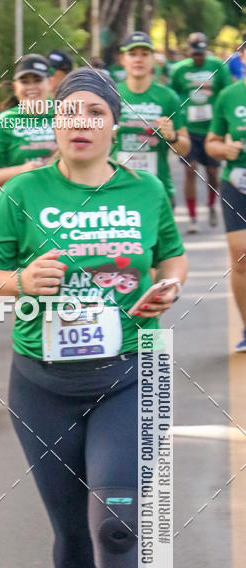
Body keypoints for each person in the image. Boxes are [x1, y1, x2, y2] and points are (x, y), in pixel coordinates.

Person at [0, 68, 187, 568]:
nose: (81, 122)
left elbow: (170, 256)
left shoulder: (143, 190)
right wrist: (23, 280)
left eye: (95, 112)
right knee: (70, 530)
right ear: (53, 123)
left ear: (115, 123)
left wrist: (164, 289)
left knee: (115, 524)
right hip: (42, 385)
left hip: (127, 374)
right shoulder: (24, 193)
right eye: (70, 112)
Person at [113, 31, 190, 206]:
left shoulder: (168, 97)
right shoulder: (111, 94)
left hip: (158, 190)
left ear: (153, 59)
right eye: (132, 54)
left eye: (144, 54)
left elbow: (184, 149)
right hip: (118, 190)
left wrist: (173, 137)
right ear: (122, 59)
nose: (138, 59)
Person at [205, 39, 246, 351]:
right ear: (242, 57)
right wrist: (225, 149)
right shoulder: (228, 97)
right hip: (237, 184)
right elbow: (211, 143)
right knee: (241, 259)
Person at [171, 32, 231, 232]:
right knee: (190, 169)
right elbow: (173, 94)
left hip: (212, 129)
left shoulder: (217, 67)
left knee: (213, 173)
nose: (199, 57)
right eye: (195, 54)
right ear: (189, 51)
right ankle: (192, 217)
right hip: (189, 129)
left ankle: (211, 205)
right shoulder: (180, 70)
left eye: (201, 53)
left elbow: (227, 93)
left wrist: (226, 123)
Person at [0, 54, 57, 188]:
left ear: (50, 83)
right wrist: (22, 171)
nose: (31, 87)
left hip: (60, 201)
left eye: (37, 80)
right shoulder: (4, 121)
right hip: (20, 202)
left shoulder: (65, 115)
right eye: (24, 81)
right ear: (15, 87)